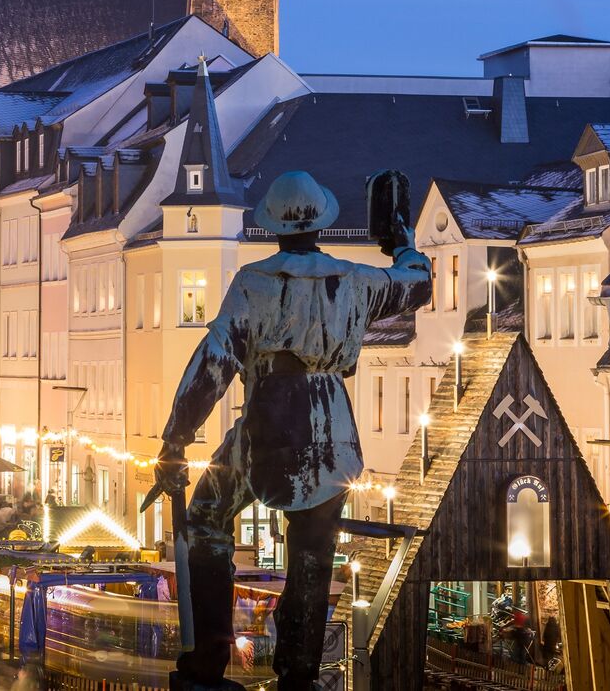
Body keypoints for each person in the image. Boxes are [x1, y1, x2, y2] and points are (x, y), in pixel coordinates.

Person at [153, 171, 431, 691]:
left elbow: (214, 360)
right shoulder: (354, 280)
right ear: (321, 221)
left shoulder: (254, 284)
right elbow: (416, 284)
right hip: (334, 426)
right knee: (313, 551)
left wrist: (176, 439)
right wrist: (402, 244)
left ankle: (207, 664)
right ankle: (298, 674)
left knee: (206, 517)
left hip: (269, 417)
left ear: (273, 227)